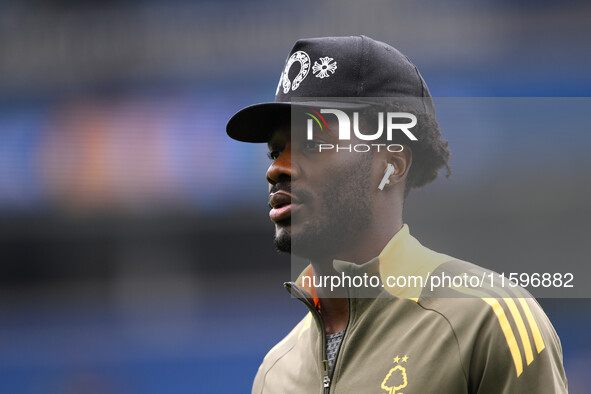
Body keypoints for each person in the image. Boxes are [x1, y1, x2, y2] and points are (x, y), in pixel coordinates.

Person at [226, 36, 567, 394]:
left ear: (392, 165)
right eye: (276, 151)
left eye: (312, 143)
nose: (277, 169)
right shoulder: (274, 374)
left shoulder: (488, 319)